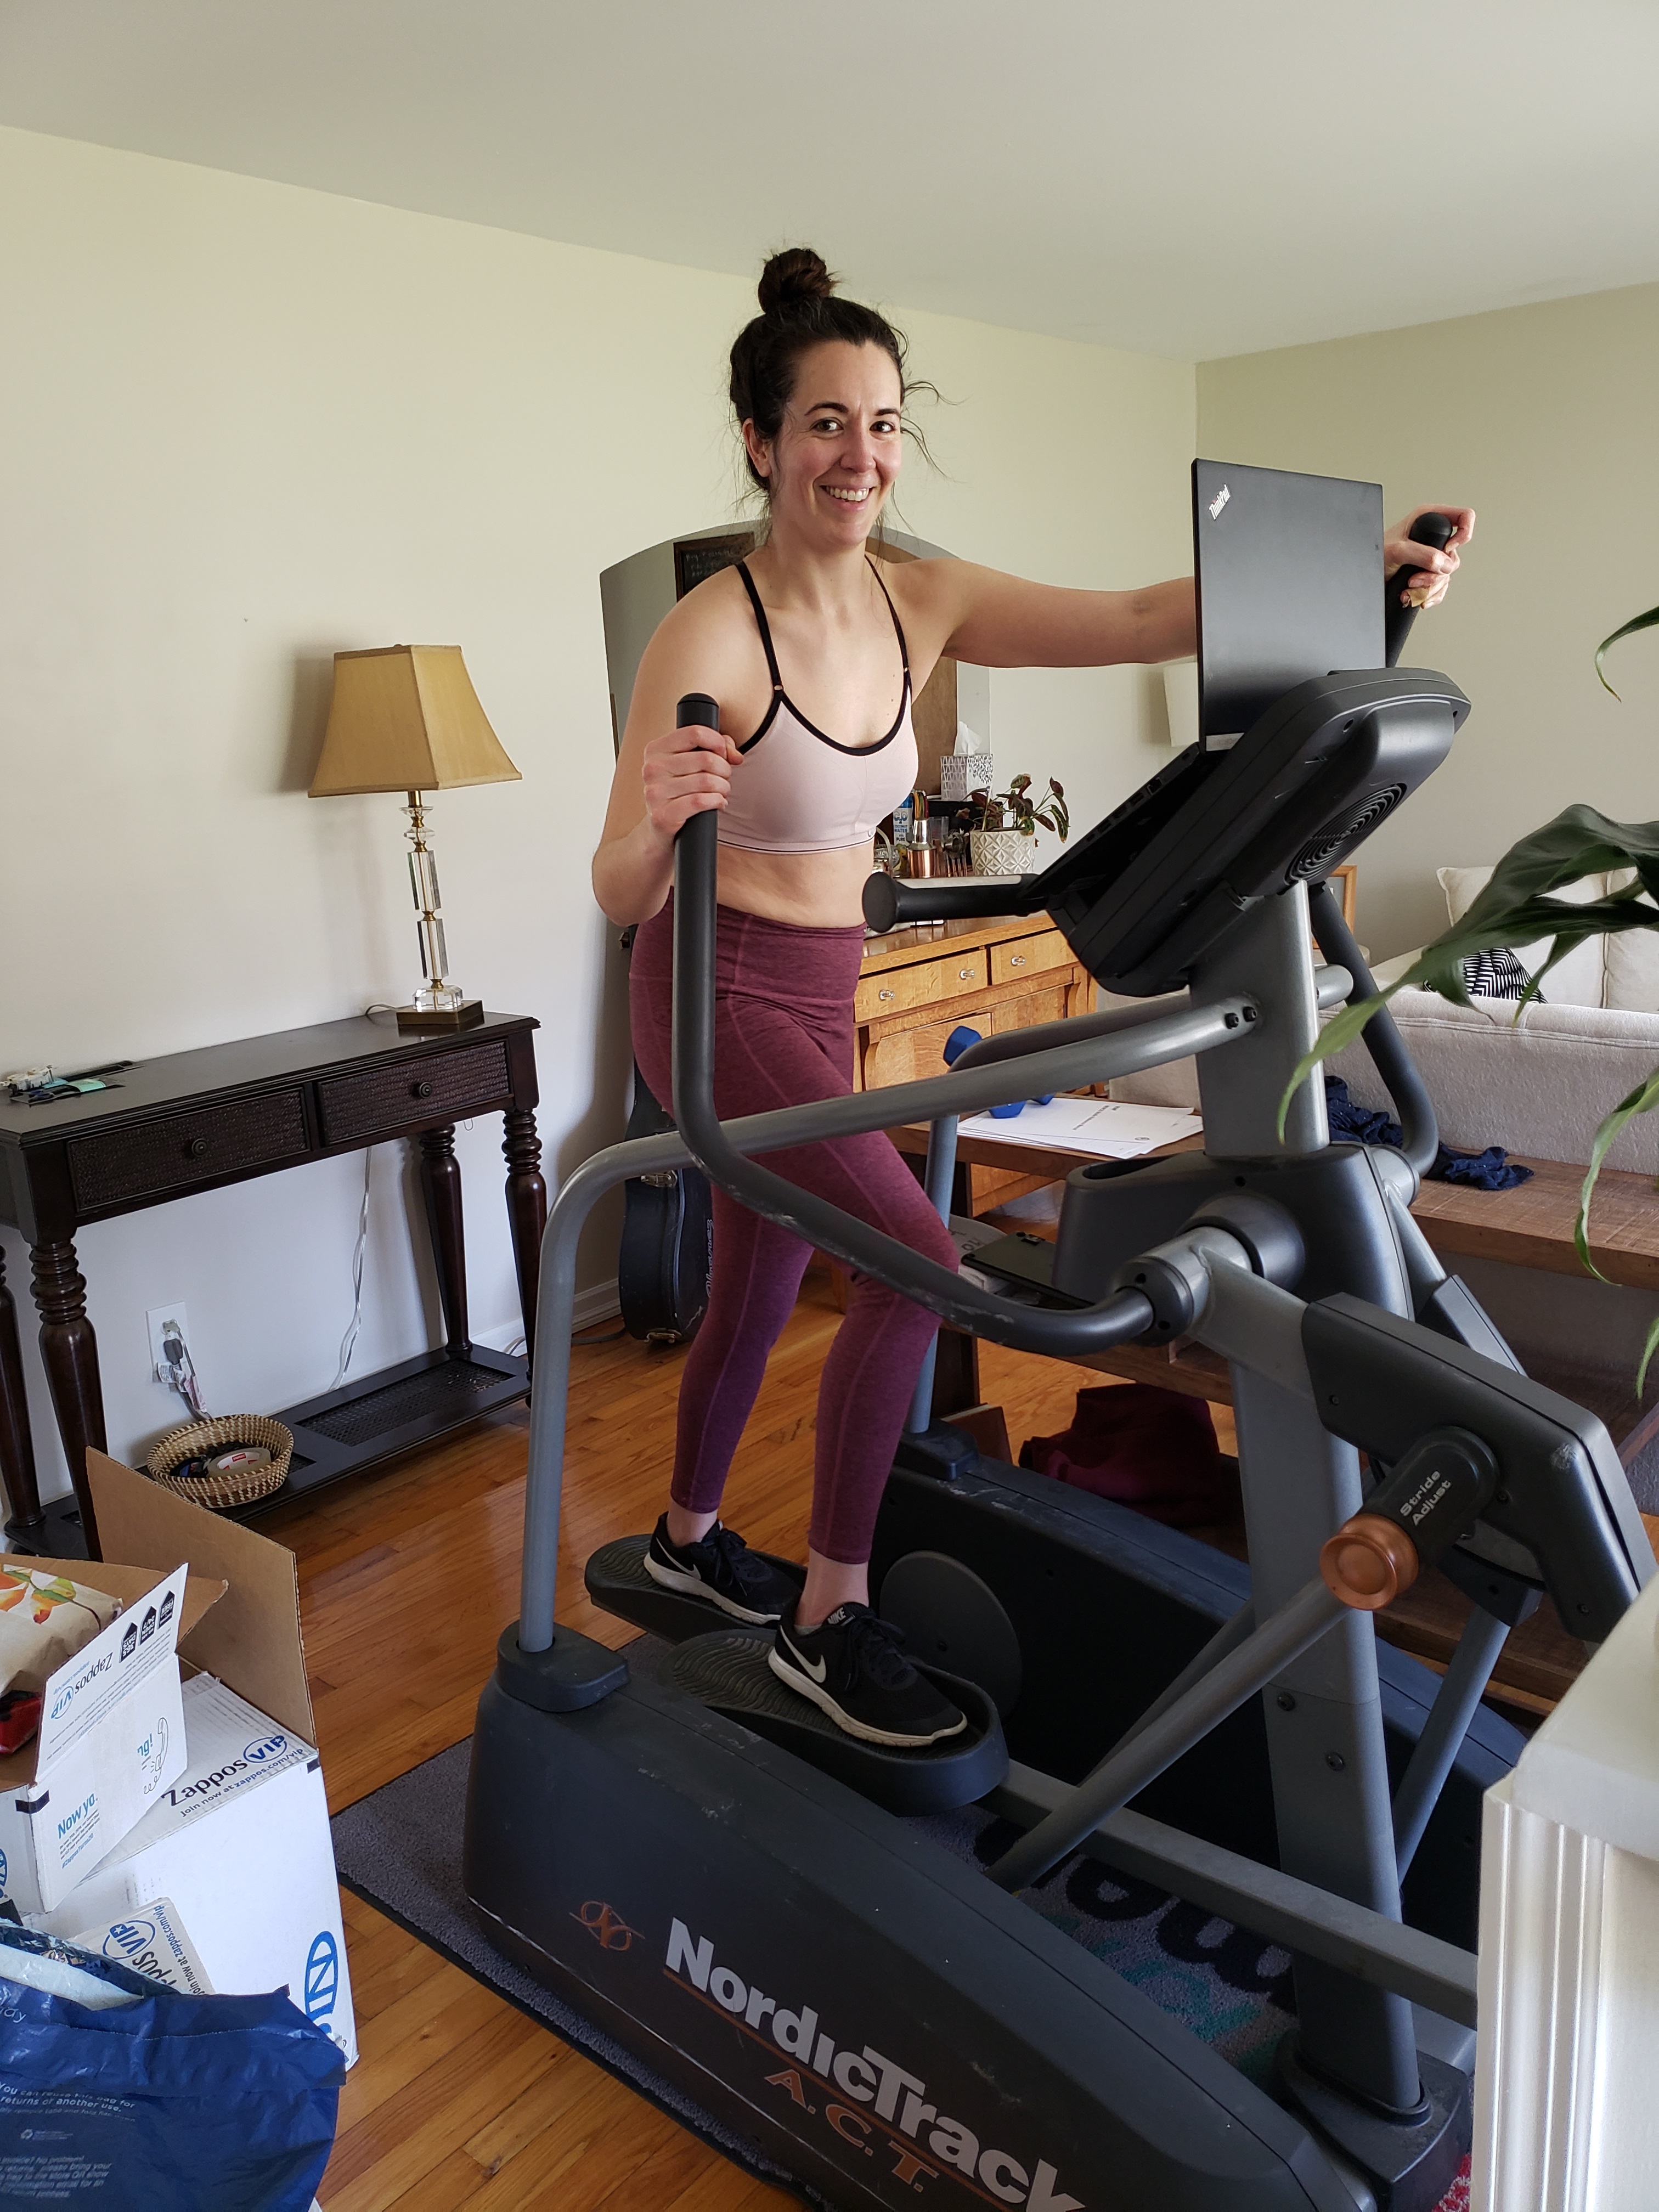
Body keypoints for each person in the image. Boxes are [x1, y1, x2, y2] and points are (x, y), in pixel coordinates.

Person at [592, 246, 1474, 1750]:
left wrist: (1356, 574)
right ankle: (829, 1620)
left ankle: (685, 1542)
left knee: (760, 1267)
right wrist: (659, 814)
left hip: (822, 984)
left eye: (882, 423)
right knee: (914, 1262)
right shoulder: (711, 632)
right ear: (761, 440)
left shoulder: (922, 597)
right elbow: (622, 884)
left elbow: (1134, 614)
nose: (859, 455)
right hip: (711, 987)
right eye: (824, 423)